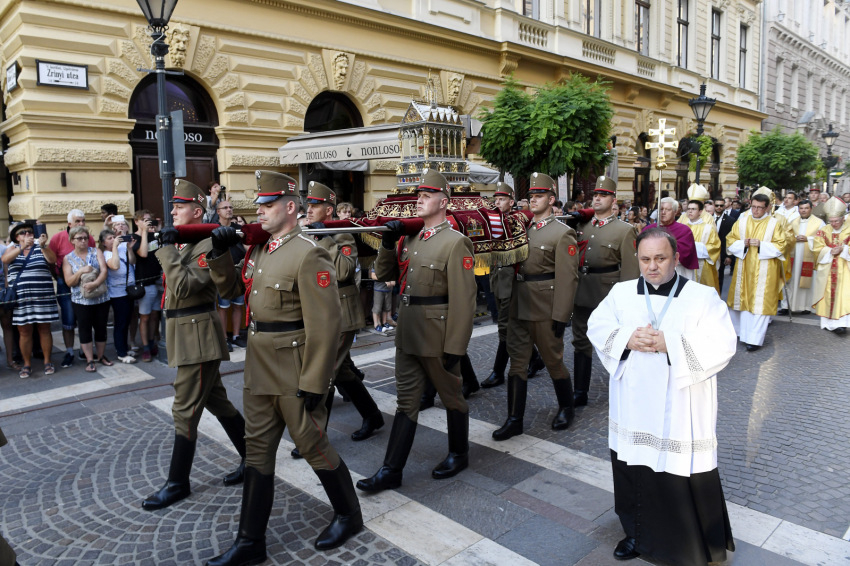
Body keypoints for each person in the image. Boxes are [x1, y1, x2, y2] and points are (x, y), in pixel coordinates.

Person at [205, 171, 362, 564]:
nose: (259, 210)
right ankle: (249, 542)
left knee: (311, 443)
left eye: (268, 204)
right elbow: (230, 291)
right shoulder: (262, 250)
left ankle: (349, 514)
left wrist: (315, 381)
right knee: (257, 449)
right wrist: (220, 253)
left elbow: (326, 324)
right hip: (260, 364)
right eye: (259, 204)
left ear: (290, 207)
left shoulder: (309, 253)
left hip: (294, 366)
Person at [587, 227, 736, 565]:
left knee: (678, 471)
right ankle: (636, 535)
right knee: (634, 468)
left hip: (681, 405)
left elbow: (724, 344)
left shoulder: (702, 297)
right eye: (645, 259)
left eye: (660, 258)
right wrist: (626, 338)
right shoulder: (621, 293)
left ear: (676, 257)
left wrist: (671, 343)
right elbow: (597, 325)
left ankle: (688, 544)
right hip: (633, 403)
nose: (652, 266)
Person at [357, 169, 476, 493]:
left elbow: (464, 299)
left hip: (437, 335)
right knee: (406, 402)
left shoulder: (455, 242)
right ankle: (391, 470)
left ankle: (459, 453)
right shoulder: (410, 239)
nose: (418, 201)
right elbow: (384, 273)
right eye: (418, 196)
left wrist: (456, 346)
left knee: (452, 397)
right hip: (408, 331)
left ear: (443, 201)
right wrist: (386, 242)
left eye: (425, 196)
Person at [142, 179, 246, 512]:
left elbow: (184, 287)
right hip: (187, 333)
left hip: (197, 336)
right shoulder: (188, 244)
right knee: (219, 403)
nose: (172, 212)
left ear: (197, 211)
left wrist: (167, 249)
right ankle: (253, 458)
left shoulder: (205, 245)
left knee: (184, 410)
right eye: (173, 207)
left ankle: (178, 482)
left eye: (179, 207)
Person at [491, 172, 579, 441]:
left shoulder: (562, 233)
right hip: (519, 304)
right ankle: (514, 419)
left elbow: (568, 278)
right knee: (517, 363)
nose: (533, 199)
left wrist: (561, 315)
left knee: (553, 361)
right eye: (531, 195)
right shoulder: (521, 229)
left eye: (539, 196)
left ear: (551, 200)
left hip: (544, 307)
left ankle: (567, 407)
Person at [299, 180, 384, 448]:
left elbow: (344, 271)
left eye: (315, 205)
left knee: (325, 371)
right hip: (319, 313)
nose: (309, 209)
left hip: (342, 314)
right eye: (308, 204)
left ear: (329, 209)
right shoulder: (308, 234)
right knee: (343, 371)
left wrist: (325, 237)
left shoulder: (342, 234)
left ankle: (315, 436)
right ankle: (372, 416)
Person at [571, 176, 639, 406]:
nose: (598, 198)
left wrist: (626, 302)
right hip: (582, 289)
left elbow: (630, 271)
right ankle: (580, 391)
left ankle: (625, 384)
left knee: (615, 341)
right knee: (580, 341)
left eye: (603, 195)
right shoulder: (582, 226)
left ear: (613, 200)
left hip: (607, 294)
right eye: (595, 195)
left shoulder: (624, 230)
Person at [725, 193, 788, 351]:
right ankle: (742, 334)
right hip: (744, 267)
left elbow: (781, 245)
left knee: (760, 303)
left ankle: (754, 339)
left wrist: (761, 245)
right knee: (744, 300)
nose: (756, 210)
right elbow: (730, 240)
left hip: (766, 269)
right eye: (753, 207)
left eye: (760, 207)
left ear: (767, 208)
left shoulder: (774, 224)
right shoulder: (742, 221)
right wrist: (743, 243)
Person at [1, 222, 59, 378]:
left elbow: (52, 260)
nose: (27, 234)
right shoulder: (13, 249)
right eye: (23, 232)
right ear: (16, 237)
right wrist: (22, 247)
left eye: (30, 232)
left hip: (42, 295)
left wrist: (44, 246)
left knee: (44, 329)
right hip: (22, 298)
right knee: (24, 331)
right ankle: (27, 364)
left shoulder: (41, 247)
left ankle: (47, 362)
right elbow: (5, 260)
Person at [48, 209, 96, 368]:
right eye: (78, 221)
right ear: (69, 224)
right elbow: (50, 260)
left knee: (85, 318)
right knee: (68, 319)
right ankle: (69, 352)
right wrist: (58, 278)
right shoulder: (58, 238)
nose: (81, 223)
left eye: (83, 220)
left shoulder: (89, 238)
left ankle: (84, 351)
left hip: (85, 283)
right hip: (65, 283)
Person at [62, 226, 110, 372]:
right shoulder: (68, 258)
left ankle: (101, 356)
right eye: (79, 238)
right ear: (72, 240)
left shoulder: (96, 252)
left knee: (101, 328)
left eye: (85, 238)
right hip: (81, 301)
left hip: (101, 298)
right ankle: (90, 360)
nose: (83, 241)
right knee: (84, 329)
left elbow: (104, 271)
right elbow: (69, 282)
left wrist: (95, 284)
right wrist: (81, 272)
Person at [811, 197, 850, 333]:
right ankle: (828, 323)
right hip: (827, 268)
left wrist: (843, 249)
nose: (833, 224)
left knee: (843, 294)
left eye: (836, 221)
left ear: (843, 218)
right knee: (827, 293)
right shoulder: (824, 230)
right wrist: (828, 251)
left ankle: (841, 324)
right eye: (831, 221)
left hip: (845, 268)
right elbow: (817, 248)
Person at [102, 220, 136, 364]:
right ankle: (121, 353)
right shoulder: (106, 254)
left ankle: (125, 348)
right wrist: (115, 247)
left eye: (113, 237)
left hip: (129, 290)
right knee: (121, 323)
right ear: (104, 243)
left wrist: (129, 249)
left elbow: (133, 261)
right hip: (117, 293)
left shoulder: (122, 248)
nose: (113, 239)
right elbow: (115, 265)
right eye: (110, 238)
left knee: (126, 321)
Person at [131, 210, 163, 362]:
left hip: (158, 281)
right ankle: (145, 347)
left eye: (150, 220)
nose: (148, 222)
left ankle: (151, 342)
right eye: (144, 220)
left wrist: (158, 229)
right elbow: (143, 253)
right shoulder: (134, 238)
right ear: (136, 222)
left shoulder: (154, 235)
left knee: (155, 315)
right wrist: (144, 232)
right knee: (144, 317)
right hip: (145, 283)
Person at [215, 199, 246, 350]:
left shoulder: (239, 229)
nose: (229, 210)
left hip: (239, 272)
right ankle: (224, 338)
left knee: (238, 306)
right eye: (225, 207)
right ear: (218, 212)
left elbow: (248, 248)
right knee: (223, 307)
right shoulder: (214, 229)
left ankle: (236, 336)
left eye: (230, 207)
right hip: (222, 274)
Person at [784, 199, 824, 314]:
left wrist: (808, 239)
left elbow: (823, 239)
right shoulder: (793, 222)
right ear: (798, 209)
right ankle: (788, 306)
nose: (803, 210)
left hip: (809, 257)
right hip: (794, 256)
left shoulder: (819, 223)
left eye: (806, 208)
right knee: (791, 281)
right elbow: (786, 236)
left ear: (811, 209)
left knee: (807, 282)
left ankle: (806, 306)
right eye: (801, 208)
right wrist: (794, 238)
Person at [644, 197, 699, 280]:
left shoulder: (684, 230)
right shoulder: (648, 230)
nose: (663, 212)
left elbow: (684, 253)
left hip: (677, 271)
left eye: (668, 210)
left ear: (675, 212)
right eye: (661, 209)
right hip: (651, 269)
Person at [683, 185, 721, 293]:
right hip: (685, 266)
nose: (690, 212)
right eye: (689, 209)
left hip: (703, 266)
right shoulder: (682, 226)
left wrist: (694, 247)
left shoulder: (708, 227)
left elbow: (715, 246)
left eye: (693, 209)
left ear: (700, 212)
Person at [716, 197, 741, 292]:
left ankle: (718, 295)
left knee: (720, 277)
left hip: (722, 253)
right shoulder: (708, 219)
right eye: (717, 205)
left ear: (724, 206)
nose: (719, 207)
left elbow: (731, 238)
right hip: (708, 254)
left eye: (721, 205)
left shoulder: (730, 220)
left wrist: (729, 256)